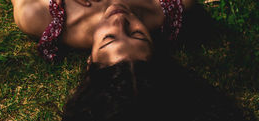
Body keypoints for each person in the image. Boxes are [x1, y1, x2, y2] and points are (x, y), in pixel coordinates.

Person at [12, 0, 195, 62]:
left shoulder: (38, 15)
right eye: (137, 34)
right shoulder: (171, 6)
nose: (120, 21)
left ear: (91, 61)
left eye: (109, 38)